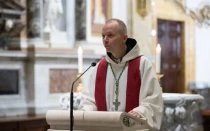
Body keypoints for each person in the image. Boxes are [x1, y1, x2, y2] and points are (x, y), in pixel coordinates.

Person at [78, 18, 163, 130]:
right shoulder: (100, 67)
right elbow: (89, 100)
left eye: (110, 35)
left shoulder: (142, 64)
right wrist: (86, 110)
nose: (105, 40)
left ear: (124, 38)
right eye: (103, 36)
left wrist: (140, 112)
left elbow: (153, 100)